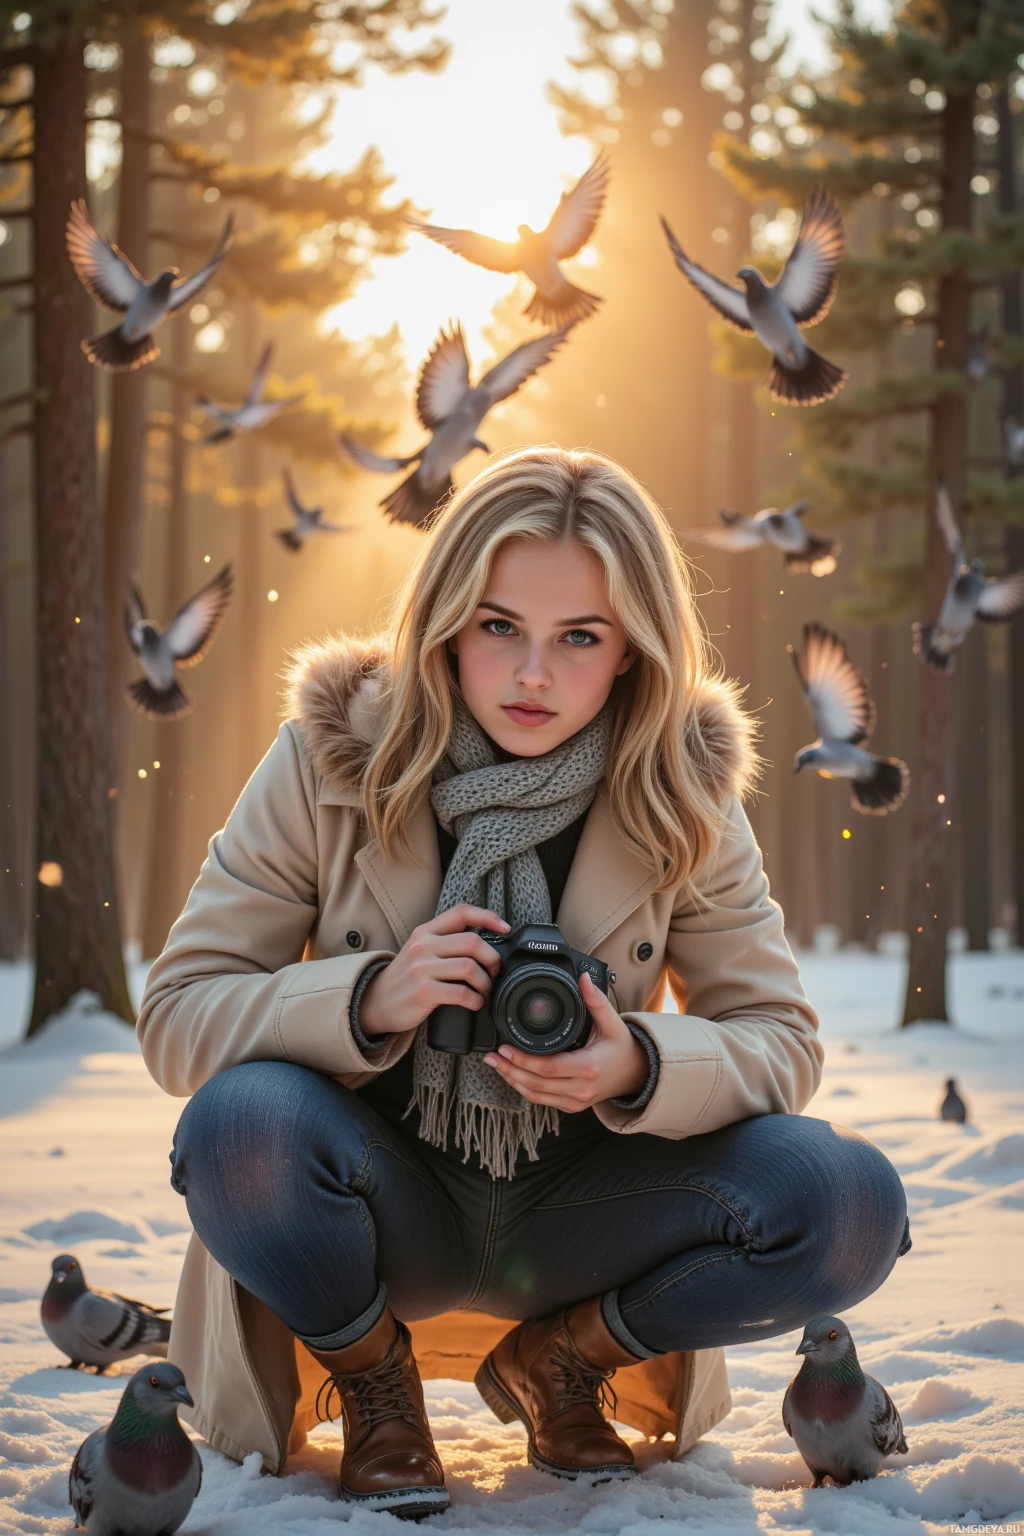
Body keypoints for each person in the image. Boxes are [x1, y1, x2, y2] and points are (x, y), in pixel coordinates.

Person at [138, 446, 911, 1518]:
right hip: (378, 1200)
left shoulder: (681, 796)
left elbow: (780, 1039)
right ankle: (374, 1383)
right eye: (498, 627)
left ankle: (565, 1360)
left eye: (579, 639)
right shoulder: (329, 762)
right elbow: (178, 1016)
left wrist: (634, 1062)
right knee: (238, 1126)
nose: (532, 676)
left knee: (849, 1201)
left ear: (634, 652)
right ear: (445, 622)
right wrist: (367, 998)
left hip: (590, 1206)